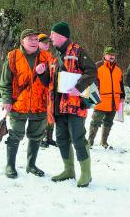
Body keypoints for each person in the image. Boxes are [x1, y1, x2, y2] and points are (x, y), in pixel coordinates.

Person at [45, 22, 97, 187]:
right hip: (59, 106)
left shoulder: (77, 50)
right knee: (61, 139)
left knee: (78, 138)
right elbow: (50, 82)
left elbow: (91, 71)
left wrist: (78, 87)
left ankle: (86, 174)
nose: (50, 37)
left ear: (61, 35)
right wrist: (41, 74)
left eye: (52, 34)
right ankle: (69, 170)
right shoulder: (56, 55)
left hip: (75, 105)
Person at [0, 29, 52, 179]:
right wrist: (7, 100)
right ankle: (10, 165)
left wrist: (43, 74)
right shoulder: (13, 56)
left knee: (36, 136)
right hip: (18, 104)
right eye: (30, 39)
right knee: (15, 135)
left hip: (40, 104)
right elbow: (5, 82)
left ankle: (31, 165)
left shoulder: (46, 57)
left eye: (36, 39)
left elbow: (51, 82)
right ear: (22, 41)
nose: (34, 42)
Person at [88, 46, 125, 149]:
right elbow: (91, 82)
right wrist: (95, 95)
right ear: (104, 55)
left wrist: (122, 96)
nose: (112, 56)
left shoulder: (118, 69)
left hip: (114, 101)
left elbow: (121, 84)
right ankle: (90, 142)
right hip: (101, 100)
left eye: (113, 55)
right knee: (95, 122)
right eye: (109, 54)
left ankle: (104, 142)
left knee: (108, 122)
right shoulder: (97, 67)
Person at [38, 33, 57, 148]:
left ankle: (49, 138)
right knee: (41, 116)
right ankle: (40, 139)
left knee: (50, 114)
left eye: (48, 42)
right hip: (38, 90)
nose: (47, 44)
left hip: (50, 89)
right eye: (44, 42)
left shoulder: (50, 56)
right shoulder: (35, 56)